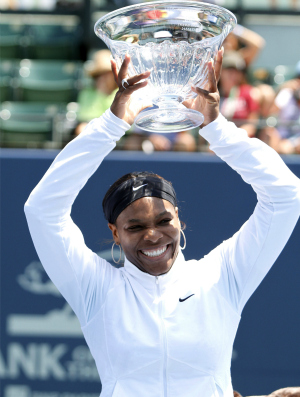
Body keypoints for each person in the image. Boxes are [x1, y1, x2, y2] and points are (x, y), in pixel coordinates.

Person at [24, 50, 300, 397]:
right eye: (135, 227)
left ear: (179, 220)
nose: (153, 234)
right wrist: (112, 124)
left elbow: (286, 195)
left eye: (163, 219)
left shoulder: (220, 276)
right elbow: (42, 210)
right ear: (115, 233)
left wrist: (216, 128)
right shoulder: (95, 289)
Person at [219, 51, 260, 137]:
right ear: (220, 71)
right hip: (217, 140)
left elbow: (251, 125)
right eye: (229, 70)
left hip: (240, 140)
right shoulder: (213, 93)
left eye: (237, 71)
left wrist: (233, 136)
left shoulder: (248, 92)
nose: (233, 75)